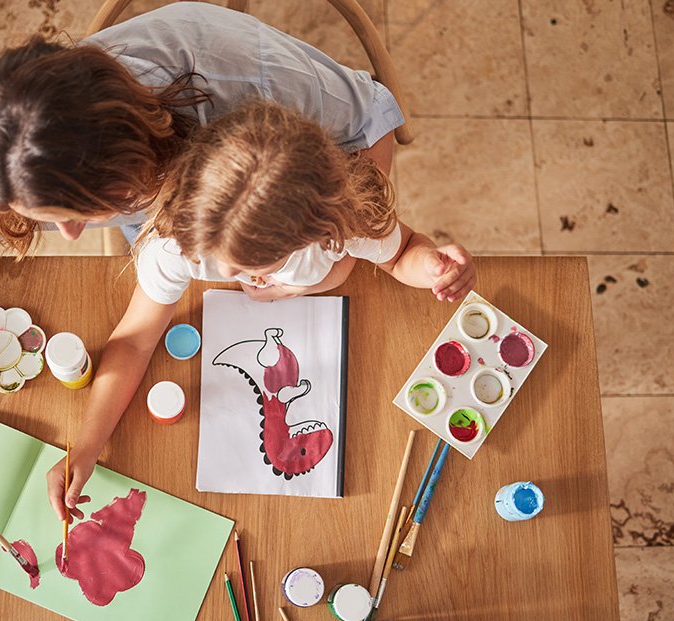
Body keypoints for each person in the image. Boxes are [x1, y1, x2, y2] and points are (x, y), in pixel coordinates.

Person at [0, 2, 408, 522]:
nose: (73, 235)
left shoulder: (247, 84)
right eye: (48, 218)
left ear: (131, 163)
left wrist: (319, 264)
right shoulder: (9, 162)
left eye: (81, 212)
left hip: (294, 203)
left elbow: (371, 127)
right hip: (184, 235)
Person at [47, 100, 475, 519]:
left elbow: (400, 254)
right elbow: (136, 340)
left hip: (358, 122)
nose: (232, 274)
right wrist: (86, 446)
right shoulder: (175, 242)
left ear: (318, 232)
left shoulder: (342, 220)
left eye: (255, 266)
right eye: (214, 257)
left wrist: (434, 267)